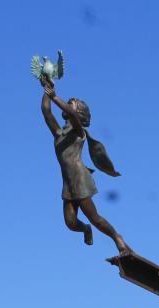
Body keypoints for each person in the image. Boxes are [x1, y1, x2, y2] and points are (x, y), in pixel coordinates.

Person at [40, 76, 130, 253]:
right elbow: (46, 111)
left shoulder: (79, 132)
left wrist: (55, 97)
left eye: (73, 104)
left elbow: (72, 115)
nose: (70, 102)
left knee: (94, 217)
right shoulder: (59, 134)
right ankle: (85, 229)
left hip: (80, 179)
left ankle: (117, 238)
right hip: (68, 182)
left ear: (79, 115)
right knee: (71, 222)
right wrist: (46, 90)